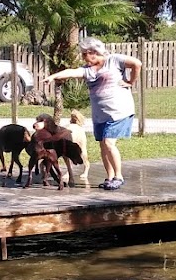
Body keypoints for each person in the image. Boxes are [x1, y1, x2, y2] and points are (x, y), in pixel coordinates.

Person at [45, 37, 142, 190]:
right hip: (100, 115)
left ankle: (118, 176)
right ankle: (110, 177)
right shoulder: (88, 70)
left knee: (109, 143)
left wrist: (131, 82)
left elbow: (137, 64)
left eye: (84, 54)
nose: (83, 58)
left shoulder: (114, 60)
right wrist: (53, 77)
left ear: (94, 52)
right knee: (103, 146)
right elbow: (72, 72)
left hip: (118, 112)